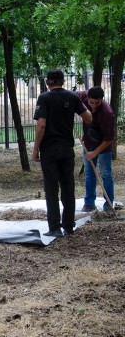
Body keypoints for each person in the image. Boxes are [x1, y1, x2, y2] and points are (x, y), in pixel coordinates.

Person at [33, 70, 92, 237]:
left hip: (49, 149)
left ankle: (54, 227)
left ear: (47, 83)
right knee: (68, 187)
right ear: (63, 81)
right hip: (67, 148)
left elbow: (41, 125)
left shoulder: (44, 98)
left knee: (51, 189)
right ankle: (68, 225)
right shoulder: (73, 97)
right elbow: (88, 118)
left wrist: (36, 148)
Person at [76, 86, 115, 212]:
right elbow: (70, 96)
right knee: (89, 174)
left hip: (103, 147)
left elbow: (109, 139)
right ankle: (89, 203)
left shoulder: (107, 113)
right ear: (87, 98)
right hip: (88, 143)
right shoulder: (83, 96)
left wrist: (94, 153)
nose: (93, 105)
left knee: (105, 174)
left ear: (101, 100)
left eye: (97, 103)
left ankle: (108, 204)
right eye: (91, 102)